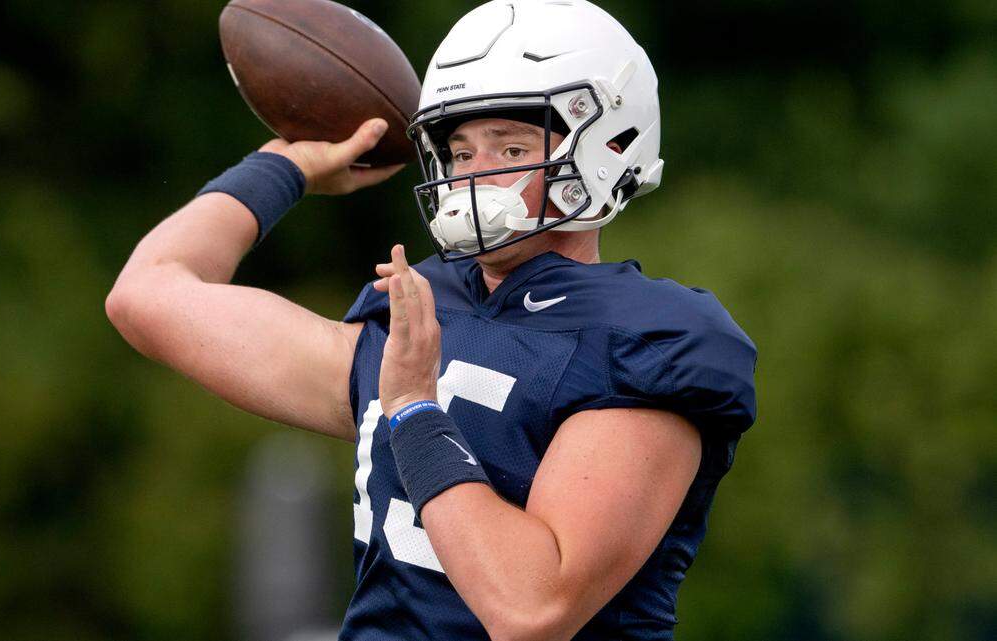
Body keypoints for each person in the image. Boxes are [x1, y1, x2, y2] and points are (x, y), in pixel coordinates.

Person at [106, 1, 757, 639]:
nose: (475, 176)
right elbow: (147, 293)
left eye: (509, 148)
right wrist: (288, 166)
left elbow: (531, 610)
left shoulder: (644, 339)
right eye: (462, 151)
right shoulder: (415, 317)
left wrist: (416, 408)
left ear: (608, 144)